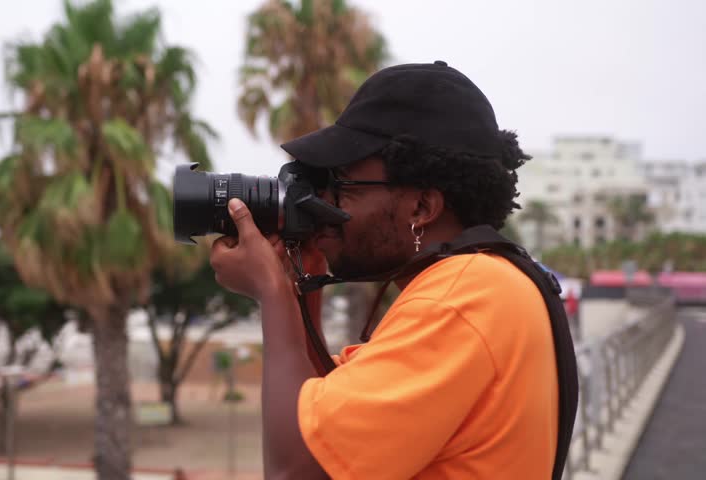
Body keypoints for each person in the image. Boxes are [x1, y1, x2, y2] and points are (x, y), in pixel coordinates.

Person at [210, 62, 563, 479]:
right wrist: (293, 282)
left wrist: (269, 291)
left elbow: (297, 468)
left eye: (340, 185)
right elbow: (325, 413)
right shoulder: (484, 281)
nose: (322, 202)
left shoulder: (459, 300)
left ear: (421, 207)